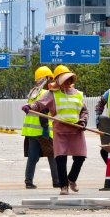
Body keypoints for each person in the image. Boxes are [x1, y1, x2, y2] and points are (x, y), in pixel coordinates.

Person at [23, 65, 88, 195]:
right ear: (57, 81)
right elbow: (39, 104)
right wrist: (30, 107)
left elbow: (84, 111)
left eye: (69, 79)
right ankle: (64, 186)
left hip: (76, 130)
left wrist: (83, 121)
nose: (67, 82)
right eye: (64, 80)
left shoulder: (78, 94)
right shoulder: (52, 94)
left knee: (81, 156)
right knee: (60, 158)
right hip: (60, 130)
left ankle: (71, 179)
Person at [20, 66, 59, 189]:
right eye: (50, 78)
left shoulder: (33, 93)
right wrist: (45, 127)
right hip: (43, 130)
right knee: (52, 156)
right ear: (46, 78)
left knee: (32, 157)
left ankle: (28, 181)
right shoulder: (45, 93)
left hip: (31, 131)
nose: (52, 81)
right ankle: (57, 181)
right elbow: (43, 112)